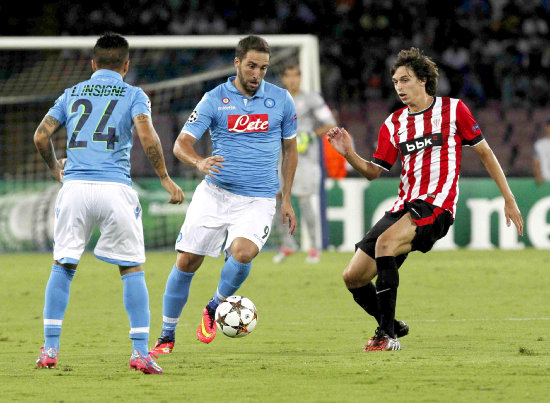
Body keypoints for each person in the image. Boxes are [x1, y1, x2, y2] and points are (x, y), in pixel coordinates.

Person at [327, 48, 524, 351]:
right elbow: (373, 172)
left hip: (437, 206)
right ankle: (391, 324)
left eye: (405, 80)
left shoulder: (453, 110)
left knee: (385, 245)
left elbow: (485, 153)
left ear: (422, 80)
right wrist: (349, 154)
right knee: (353, 276)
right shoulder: (394, 123)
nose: (399, 87)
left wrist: (508, 199)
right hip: (404, 206)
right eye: (395, 82)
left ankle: (386, 336)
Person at [33, 32, 184, 374]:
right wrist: (163, 176)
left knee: (63, 265)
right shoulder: (134, 94)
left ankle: (50, 349)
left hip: (75, 189)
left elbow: (41, 135)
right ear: (126, 66)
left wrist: (56, 167)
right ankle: (140, 353)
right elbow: (146, 135)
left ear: (92, 63)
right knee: (131, 268)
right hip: (114, 188)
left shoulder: (71, 93)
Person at [150, 35, 298, 354]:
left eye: (263, 67)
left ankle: (215, 305)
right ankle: (166, 335)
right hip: (215, 193)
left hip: (259, 198)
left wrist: (286, 198)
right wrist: (199, 161)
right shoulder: (215, 98)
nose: (257, 73)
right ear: (237, 62)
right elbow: (180, 145)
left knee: (243, 253)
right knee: (187, 261)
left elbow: (290, 149)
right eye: (251, 65)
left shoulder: (282, 99)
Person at [272, 64, 336, 264]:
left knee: (304, 200)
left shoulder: (312, 100)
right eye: (288, 76)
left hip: (305, 157)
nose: (292, 80)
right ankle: (288, 244)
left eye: (296, 76)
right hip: (281, 156)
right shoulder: (275, 100)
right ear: (283, 79)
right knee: (277, 200)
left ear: (300, 78)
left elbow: (330, 122)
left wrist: (309, 135)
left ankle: (314, 248)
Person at [533, 118, 550, 184]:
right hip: (545, 180)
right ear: (546, 127)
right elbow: (536, 162)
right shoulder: (539, 144)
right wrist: (538, 176)